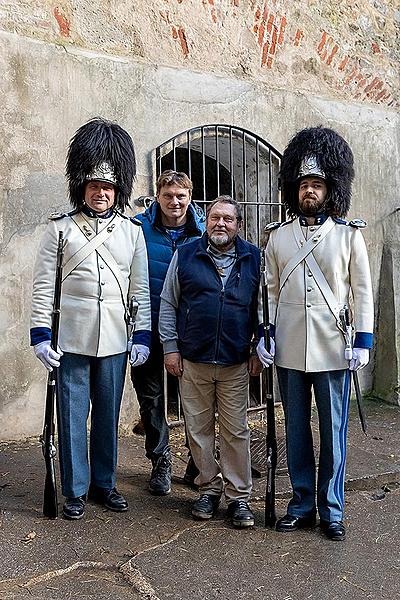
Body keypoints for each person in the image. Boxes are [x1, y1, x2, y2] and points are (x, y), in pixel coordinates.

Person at [257, 126, 374, 541]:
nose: (310, 191)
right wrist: (266, 332)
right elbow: (269, 288)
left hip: (333, 349)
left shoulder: (348, 235)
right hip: (289, 347)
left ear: (330, 190)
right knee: (296, 431)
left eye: (317, 185)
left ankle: (333, 509)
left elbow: (362, 290)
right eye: (304, 184)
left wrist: (363, 340)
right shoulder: (278, 236)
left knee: (334, 433)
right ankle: (302, 503)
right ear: (295, 188)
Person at [31, 118, 151, 520]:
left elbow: (140, 289)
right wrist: (40, 336)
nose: (101, 193)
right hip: (72, 338)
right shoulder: (60, 229)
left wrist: (143, 336)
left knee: (107, 415)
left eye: (108, 187)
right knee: (72, 415)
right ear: (82, 187)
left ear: (117, 191)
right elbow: (43, 286)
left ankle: (105, 483)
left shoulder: (132, 232)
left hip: (116, 338)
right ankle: (76, 489)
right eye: (94, 186)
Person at [159, 195, 262, 528]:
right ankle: (208, 489)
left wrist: (259, 347)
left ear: (238, 225)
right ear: (207, 220)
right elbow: (168, 303)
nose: (221, 224)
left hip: (235, 361)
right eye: (215, 217)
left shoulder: (254, 259)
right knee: (198, 431)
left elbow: (264, 308)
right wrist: (170, 348)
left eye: (228, 219)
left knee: (236, 431)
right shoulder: (186, 254)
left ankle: (239, 498)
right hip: (194, 360)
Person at [131, 170, 205, 495]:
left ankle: (197, 461)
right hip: (147, 327)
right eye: (168, 196)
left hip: (188, 330)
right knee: (150, 399)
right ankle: (160, 460)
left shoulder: (203, 232)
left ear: (189, 198)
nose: (174, 202)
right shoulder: (137, 229)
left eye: (181, 196)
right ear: (157, 197)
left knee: (195, 399)